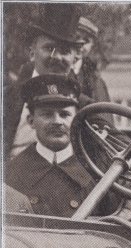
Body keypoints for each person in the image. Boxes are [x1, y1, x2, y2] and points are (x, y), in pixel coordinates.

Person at [5, 74, 114, 218]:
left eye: (64, 114)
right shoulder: (10, 174)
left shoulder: (97, 175)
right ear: (31, 121)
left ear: (76, 121)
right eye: (47, 114)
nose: (57, 121)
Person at [4, 4, 89, 157]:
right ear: (32, 53)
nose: (56, 57)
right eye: (50, 49)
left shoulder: (84, 105)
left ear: (74, 59)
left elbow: (116, 140)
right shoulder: (6, 98)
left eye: (64, 51)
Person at [73, 16, 110, 102]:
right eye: (76, 37)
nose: (80, 44)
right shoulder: (56, 68)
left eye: (86, 41)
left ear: (92, 44)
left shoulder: (95, 79)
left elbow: (105, 112)